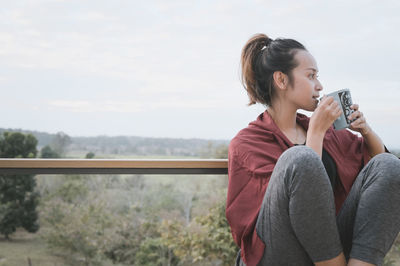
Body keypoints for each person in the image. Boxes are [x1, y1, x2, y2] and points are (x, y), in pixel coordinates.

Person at [226, 33, 400, 266]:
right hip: (277, 252)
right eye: (311, 76)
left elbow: (385, 178)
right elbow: (285, 213)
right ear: (281, 80)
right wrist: (315, 134)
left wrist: (366, 131)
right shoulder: (247, 143)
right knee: (300, 159)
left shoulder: (331, 133)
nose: (319, 86)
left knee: (390, 164)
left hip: (329, 247)